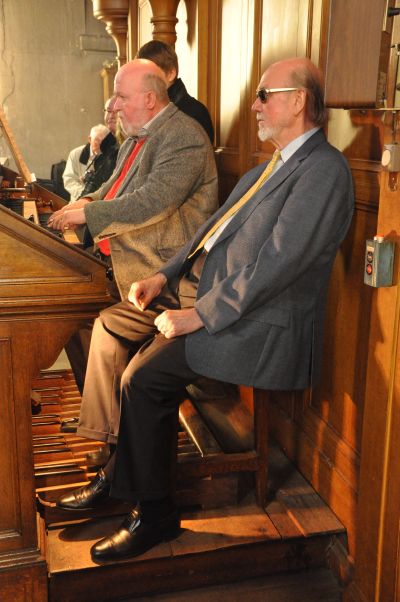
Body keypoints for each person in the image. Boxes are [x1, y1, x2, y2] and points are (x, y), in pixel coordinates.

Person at [55, 56, 354, 562]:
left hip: (256, 320)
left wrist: (201, 315)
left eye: (265, 95)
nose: (255, 105)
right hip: (203, 296)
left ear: (299, 101)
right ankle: (117, 474)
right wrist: (162, 276)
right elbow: (206, 232)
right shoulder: (270, 166)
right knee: (106, 330)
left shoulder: (324, 170)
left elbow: (277, 265)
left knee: (143, 378)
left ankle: (155, 515)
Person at [48, 59, 218, 392]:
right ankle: (107, 414)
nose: (113, 105)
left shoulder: (184, 135)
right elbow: (112, 187)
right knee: (66, 314)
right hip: (119, 260)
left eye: (121, 97)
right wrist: (87, 200)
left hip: (158, 270)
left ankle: (113, 418)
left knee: (89, 321)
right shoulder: (135, 138)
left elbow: (153, 201)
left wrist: (88, 214)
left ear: (149, 99)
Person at [137, 40, 214, 143]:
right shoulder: (146, 108)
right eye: (141, 76)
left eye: (150, 75)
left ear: (171, 74)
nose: (144, 82)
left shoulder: (194, 112)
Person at [62, 124, 110, 202]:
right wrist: (87, 195)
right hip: (78, 200)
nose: (101, 145)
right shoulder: (76, 154)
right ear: (90, 139)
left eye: (104, 141)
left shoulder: (111, 157)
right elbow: (69, 180)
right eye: (97, 140)